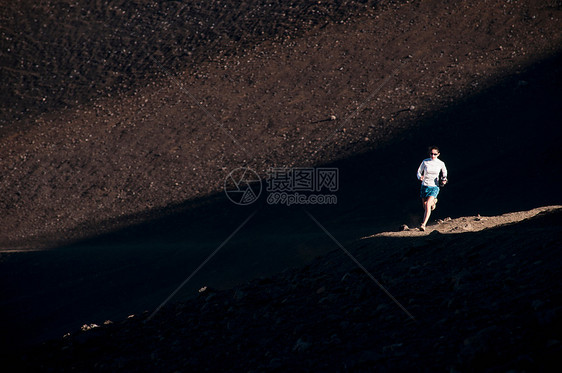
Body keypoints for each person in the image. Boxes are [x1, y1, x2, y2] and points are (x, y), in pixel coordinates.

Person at [417, 146, 447, 231]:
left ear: (438, 154)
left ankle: (423, 224)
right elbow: (419, 171)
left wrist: (444, 179)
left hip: (434, 186)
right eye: (431, 154)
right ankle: (434, 202)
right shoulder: (425, 162)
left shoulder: (441, 163)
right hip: (425, 186)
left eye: (435, 154)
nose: (433, 155)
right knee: (426, 205)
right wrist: (420, 177)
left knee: (427, 205)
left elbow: (444, 173)